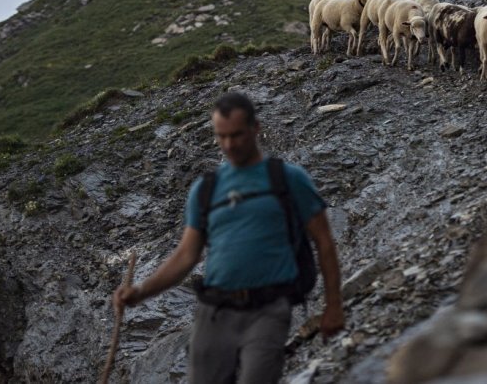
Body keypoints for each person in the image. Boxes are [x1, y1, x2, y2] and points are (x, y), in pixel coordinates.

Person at [113, 91, 344, 383]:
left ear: (255, 128)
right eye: (221, 136)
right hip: (215, 312)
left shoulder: (287, 178)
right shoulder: (206, 189)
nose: (229, 145)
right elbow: (186, 255)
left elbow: (324, 241)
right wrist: (140, 291)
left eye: (236, 135)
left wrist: (334, 305)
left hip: (269, 308)